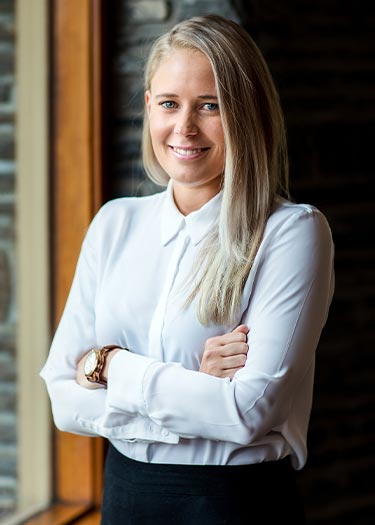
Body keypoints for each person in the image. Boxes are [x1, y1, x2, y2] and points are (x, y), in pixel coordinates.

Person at [40, 14, 335, 524]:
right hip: (126, 494)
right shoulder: (115, 223)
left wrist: (109, 365)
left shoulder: (291, 232)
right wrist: (189, 383)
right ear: (150, 104)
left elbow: (246, 414)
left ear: (247, 114)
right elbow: (63, 402)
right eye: (169, 104)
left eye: (210, 106)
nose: (185, 128)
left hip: (231, 503)